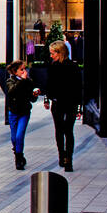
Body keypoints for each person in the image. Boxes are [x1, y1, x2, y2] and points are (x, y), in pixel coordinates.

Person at [43, 40, 82, 171]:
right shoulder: (70, 66)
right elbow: (78, 87)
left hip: (62, 102)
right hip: (66, 102)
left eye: (52, 53)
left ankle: (64, 157)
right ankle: (67, 159)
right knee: (67, 130)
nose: (51, 55)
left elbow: (49, 85)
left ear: (60, 53)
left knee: (61, 130)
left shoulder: (56, 67)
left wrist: (48, 99)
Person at [5, 59, 40, 170]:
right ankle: (19, 154)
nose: (24, 71)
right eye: (21, 70)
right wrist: (22, 81)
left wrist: (34, 95)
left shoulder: (28, 81)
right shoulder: (10, 81)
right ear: (15, 72)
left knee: (19, 135)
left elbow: (32, 98)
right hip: (13, 112)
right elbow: (12, 92)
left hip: (24, 112)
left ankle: (19, 159)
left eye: (25, 69)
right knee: (14, 138)